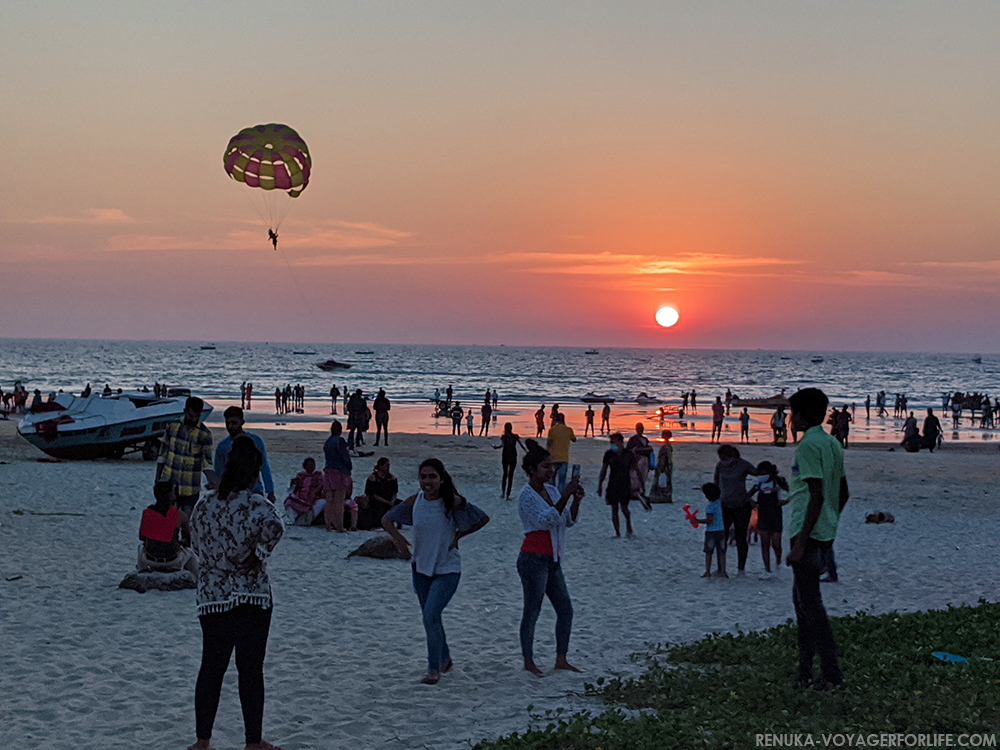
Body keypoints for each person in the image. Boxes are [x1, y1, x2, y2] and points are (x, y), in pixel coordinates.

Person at [188, 435, 284, 750]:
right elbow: (275, 529)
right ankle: (252, 741)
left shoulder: (204, 505)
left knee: (211, 667)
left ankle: (203, 741)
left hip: (212, 594)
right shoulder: (260, 506)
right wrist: (257, 553)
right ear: (255, 473)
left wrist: (217, 564)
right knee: (250, 668)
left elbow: (196, 546)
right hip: (251, 593)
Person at [382, 459, 490, 684]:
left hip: (447, 569)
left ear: (441, 478)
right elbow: (387, 519)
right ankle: (445, 658)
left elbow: (481, 519)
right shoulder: (416, 501)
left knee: (430, 615)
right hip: (420, 568)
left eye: (432, 477)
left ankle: (433, 670)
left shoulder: (453, 502)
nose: (427, 481)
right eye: (423, 477)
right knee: (431, 618)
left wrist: (458, 536)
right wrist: (399, 540)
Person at [786, 387, 848, 691]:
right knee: (803, 601)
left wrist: (800, 542)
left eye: (790, 412)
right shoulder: (833, 443)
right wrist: (831, 522)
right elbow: (843, 492)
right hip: (823, 531)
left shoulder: (808, 446)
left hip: (806, 532)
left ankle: (827, 672)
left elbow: (816, 494)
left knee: (809, 605)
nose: (788, 418)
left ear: (800, 415)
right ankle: (805, 670)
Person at [516, 440, 585, 677]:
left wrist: (574, 500)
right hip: (533, 558)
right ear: (531, 470)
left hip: (552, 559)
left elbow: (567, 521)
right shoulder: (526, 496)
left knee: (565, 609)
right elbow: (544, 521)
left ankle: (561, 659)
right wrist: (565, 497)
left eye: (551, 466)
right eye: (545, 467)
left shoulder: (553, 491)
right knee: (532, 611)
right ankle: (528, 660)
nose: (551, 471)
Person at [156, 397, 216, 516]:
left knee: (187, 523)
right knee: (169, 523)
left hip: (190, 487)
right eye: (191, 416)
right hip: (169, 484)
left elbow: (207, 462)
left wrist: (213, 481)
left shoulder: (205, 434)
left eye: (197, 416)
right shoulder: (172, 426)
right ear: (185, 411)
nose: (193, 419)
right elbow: (162, 455)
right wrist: (157, 479)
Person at [214, 407, 277, 504]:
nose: (230, 426)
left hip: (255, 490)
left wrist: (270, 491)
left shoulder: (255, 441)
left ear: (242, 422)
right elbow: (219, 471)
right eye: (228, 423)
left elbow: (264, 467)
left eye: (234, 423)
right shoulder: (223, 446)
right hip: (231, 491)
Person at [713, 444, 758, 575]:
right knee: (722, 537)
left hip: (742, 505)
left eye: (724, 457)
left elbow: (758, 475)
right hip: (724, 505)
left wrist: (750, 494)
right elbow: (716, 484)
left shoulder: (743, 465)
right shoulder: (720, 466)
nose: (722, 460)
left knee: (741, 537)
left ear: (732, 456)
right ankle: (721, 567)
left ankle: (741, 569)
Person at [138, 481, 197, 573]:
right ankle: (195, 579)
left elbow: (142, 537)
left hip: (150, 559)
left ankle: (141, 572)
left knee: (140, 547)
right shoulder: (180, 515)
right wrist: (178, 542)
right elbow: (187, 541)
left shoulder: (147, 513)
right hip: (172, 560)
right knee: (190, 553)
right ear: (171, 496)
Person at [749, 461, 789, 573]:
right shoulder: (759, 484)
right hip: (763, 514)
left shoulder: (779, 481)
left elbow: (790, 493)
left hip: (775, 514)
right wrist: (753, 504)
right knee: (764, 543)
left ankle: (778, 560)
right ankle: (767, 568)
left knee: (776, 543)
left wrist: (784, 501)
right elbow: (748, 495)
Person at [597, 432, 636, 537]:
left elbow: (634, 470)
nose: (611, 444)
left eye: (613, 442)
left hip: (625, 483)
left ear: (620, 442)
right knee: (614, 508)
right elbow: (604, 470)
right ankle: (617, 532)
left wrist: (638, 485)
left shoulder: (628, 454)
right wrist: (600, 485)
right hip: (613, 484)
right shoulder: (609, 454)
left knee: (624, 508)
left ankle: (628, 524)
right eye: (610, 442)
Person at [322, 421, 352, 532]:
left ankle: (328, 525)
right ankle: (339, 526)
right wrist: (349, 468)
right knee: (339, 501)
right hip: (339, 472)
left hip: (328, 471)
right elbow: (345, 456)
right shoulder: (340, 441)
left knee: (329, 501)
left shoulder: (328, 442)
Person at [356, 457, 400, 530]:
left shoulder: (392, 478)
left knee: (400, 504)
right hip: (377, 500)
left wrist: (392, 501)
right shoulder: (373, 478)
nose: (388, 468)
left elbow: (394, 493)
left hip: (388, 499)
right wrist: (387, 502)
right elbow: (372, 494)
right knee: (378, 506)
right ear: (380, 466)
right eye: (386, 465)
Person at [692, 483, 725, 578]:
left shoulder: (710, 506)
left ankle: (708, 571)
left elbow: (709, 520)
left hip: (711, 531)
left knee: (709, 552)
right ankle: (722, 571)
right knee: (722, 552)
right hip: (721, 530)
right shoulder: (719, 503)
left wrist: (697, 521)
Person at [283, 457, 326, 526]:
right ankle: (292, 519)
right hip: (301, 497)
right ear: (304, 467)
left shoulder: (318, 475)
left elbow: (321, 485)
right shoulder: (300, 476)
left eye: (312, 465)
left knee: (323, 502)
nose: (311, 468)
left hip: (314, 497)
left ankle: (310, 519)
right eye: (309, 466)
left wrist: (314, 492)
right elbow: (294, 488)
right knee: (289, 501)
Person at [546, 413, 577, 493]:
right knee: (562, 480)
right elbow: (574, 439)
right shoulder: (568, 430)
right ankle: (560, 497)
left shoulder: (552, 430)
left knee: (552, 479)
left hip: (553, 457)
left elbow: (549, 443)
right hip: (564, 457)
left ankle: (552, 495)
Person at [493, 422, 524, 500]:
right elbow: (521, 444)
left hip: (505, 456)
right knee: (511, 476)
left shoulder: (504, 437)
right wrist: (527, 450)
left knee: (505, 474)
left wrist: (496, 447)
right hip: (513, 456)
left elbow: (502, 445)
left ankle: (503, 493)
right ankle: (508, 495)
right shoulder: (515, 436)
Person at [626, 422, 653, 506]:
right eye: (639, 428)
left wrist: (641, 450)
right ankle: (633, 492)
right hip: (636, 461)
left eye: (641, 428)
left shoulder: (645, 439)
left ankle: (640, 491)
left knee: (643, 476)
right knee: (635, 477)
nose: (640, 430)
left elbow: (650, 449)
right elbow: (629, 450)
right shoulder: (633, 439)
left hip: (644, 462)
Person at [650, 429, 674, 503]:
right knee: (666, 481)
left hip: (664, 465)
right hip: (668, 465)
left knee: (661, 481)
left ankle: (661, 497)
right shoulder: (668, 446)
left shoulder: (666, 446)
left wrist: (662, 466)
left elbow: (666, 457)